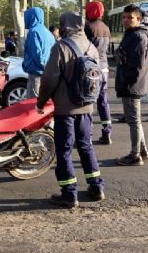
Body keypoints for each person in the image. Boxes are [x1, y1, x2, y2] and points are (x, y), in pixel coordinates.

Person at [37, 11, 105, 208]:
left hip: (65, 111)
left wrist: (41, 102)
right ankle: (97, 187)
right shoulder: (91, 47)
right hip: (86, 107)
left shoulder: (61, 47)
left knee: (64, 150)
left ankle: (69, 193)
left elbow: (49, 79)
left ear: (64, 25)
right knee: (86, 146)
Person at [114, 4, 148, 166]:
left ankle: (135, 155)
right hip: (132, 84)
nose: (126, 20)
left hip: (132, 85)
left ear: (139, 19)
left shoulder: (138, 37)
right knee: (134, 120)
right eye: (124, 17)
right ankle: (142, 150)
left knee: (133, 121)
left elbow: (136, 66)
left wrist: (127, 83)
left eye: (130, 17)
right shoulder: (132, 34)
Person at [85, 0, 113, 144]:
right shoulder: (106, 28)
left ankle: (87, 135)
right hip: (104, 68)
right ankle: (107, 131)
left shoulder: (88, 27)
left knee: (88, 101)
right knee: (103, 101)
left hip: (92, 69)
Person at [22, 7, 55, 99]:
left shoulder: (33, 32)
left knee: (33, 107)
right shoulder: (48, 33)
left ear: (31, 17)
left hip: (37, 75)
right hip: (48, 76)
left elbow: (37, 55)